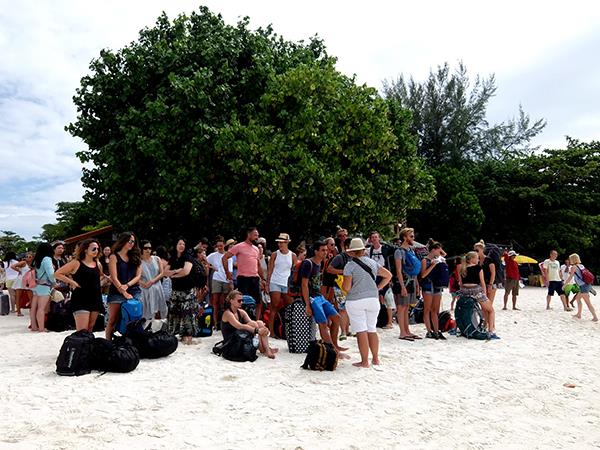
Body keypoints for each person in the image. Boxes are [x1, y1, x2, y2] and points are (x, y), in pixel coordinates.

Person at [342, 238, 392, 368]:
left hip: (356, 299)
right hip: (373, 299)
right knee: (372, 329)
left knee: (361, 331)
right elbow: (388, 275)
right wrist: (378, 287)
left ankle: (364, 361)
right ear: (363, 250)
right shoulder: (372, 263)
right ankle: (375, 358)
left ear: (351, 252)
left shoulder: (350, 266)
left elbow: (346, 287)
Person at [302, 241, 346, 354]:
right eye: (323, 250)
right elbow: (304, 284)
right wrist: (307, 304)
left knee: (336, 317)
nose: (325, 252)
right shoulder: (308, 263)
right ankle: (332, 349)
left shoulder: (321, 263)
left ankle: (334, 344)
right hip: (312, 297)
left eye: (326, 250)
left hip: (319, 296)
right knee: (323, 323)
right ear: (316, 251)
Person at [55, 239, 104, 331]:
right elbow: (58, 273)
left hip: (96, 298)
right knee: (82, 330)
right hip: (81, 298)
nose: (96, 251)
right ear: (85, 249)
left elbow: (100, 276)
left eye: (97, 249)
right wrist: (71, 282)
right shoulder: (76, 262)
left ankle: (88, 345)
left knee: (90, 327)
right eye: (94, 249)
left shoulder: (98, 263)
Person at [222, 227, 267, 320]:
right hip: (243, 278)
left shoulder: (256, 249)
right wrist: (227, 272)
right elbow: (224, 257)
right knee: (242, 301)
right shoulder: (239, 246)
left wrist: (264, 279)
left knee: (259, 302)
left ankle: (256, 322)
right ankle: (242, 321)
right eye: (255, 235)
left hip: (255, 278)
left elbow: (258, 265)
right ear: (249, 234)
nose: (257, 238)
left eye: (257, 236)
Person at [106, 232, 142, 339]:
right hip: (117, 291)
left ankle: (131, 342)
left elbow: (138, 275)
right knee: (113, 319)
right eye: (129, 241)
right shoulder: (114, 256)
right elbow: (114, 277)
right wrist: (123, 291)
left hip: (134, 289)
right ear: (123, 241)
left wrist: (127, 285)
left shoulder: (136, 256)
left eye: (133, 242)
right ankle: (108, 342)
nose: (131, 244)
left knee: (134, 318)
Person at [221, 290, 277, 358]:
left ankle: (266, 350)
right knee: (255, 325)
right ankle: (264, 349)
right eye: (239, 301)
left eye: (242, 300)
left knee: (258, 323)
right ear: (231, 301)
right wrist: (257, 330)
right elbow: (239, 326)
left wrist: (261, 326)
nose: (241, 302)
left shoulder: (241, 312)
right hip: (231, 340)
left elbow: (252, 322)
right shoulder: (228, 314)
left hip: (240, 337)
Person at [166, 238, 199, 344]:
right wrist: (176, 271)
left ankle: (188, 335)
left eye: (183, 244)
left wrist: (173, 276)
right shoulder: (173, 258)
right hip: (176, 290)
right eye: (179, 243)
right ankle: (176, 333)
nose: (181, 246)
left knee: (187, 313)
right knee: (174, 313)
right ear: (175, 245)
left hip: (187, 290)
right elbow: (165, 272)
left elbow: (185, 271)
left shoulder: (188, 257)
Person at [459, 251, 499, 338]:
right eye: (477, 258)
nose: (478, 260)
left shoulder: (462, 268)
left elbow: (461, 284)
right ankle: (491, 331)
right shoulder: (478, 268)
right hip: (476, 291)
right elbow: (482, 283)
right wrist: (484, 293)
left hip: (465, 291)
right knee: (490, 310)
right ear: (472, 259)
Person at [266, 233, 296, 337]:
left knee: (291, 306)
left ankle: (290, 330)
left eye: (282, 242)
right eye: (279, 242)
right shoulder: (275, 254)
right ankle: (272, 332)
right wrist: (267, 284)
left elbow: (294, 272)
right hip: (275, 281)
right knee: (274, 306)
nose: (279, 244)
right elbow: (270, 270)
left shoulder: (293, 255)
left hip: (287, 283)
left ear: (287, 242)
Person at [393, 228, 420, 341]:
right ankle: (402, 332)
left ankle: (407, 330)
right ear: (405, 237)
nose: (413, 238)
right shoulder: (399, 252)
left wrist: (417, 283)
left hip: (411, 281)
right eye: (411, 236)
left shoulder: (411, 251)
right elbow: (398, 270)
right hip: (403, 282)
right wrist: (402, 286)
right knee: (401, 307)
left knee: (407, 306)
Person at [365, 231, 395, 329]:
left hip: (384, 274)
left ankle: (390, 322)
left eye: (375, 237)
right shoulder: (369, 250)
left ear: (379, 238)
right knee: (375, 299)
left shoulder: (385, 248)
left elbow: (394, 249)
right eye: (372, 237)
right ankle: (376, 321)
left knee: (388, 298)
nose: (374, 239)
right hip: (374, 276)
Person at [326, 237, 352, 339]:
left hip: (349, 285)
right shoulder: (340, 257)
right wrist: (343, 271)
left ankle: (347, 330)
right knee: (342, 309)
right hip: (339, 285)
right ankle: (343, 332)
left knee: (348, 308)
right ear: (346, 247)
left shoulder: (353, 257)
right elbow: (329, 269)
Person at [420, 241, 446, 340]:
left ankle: (436, 330)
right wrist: (433, 265)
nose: (441, 253)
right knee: (427, 309)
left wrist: (439, 251)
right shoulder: (425, 260)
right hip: (427, 285)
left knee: (435, 310)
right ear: (433, 250)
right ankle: (429, 331)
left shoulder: (438, 259)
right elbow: (423, 275)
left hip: (436, 286)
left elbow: (444, 254)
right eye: (438, 250)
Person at [207, 236, 234, 328]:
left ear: (224, 245)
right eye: (218, 246)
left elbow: (230, 270)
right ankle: (215, 324)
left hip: (225, 279)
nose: (219, 247)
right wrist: (211, 267)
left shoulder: (228, 256)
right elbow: (204, 260)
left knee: (224, 302)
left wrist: (230, 281)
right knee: (215, 302)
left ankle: (224, 322)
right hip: (216, 279)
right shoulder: (213, 255)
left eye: (221, 245)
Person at [29, 243, 55, 332]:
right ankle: (41, 328)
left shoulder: (37, 259)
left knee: (33, 308)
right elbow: (51, 274)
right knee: (41, 308)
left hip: (37, 286)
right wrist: (54, 283)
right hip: (45, 286)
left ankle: (34, 326)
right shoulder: (47, 259)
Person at [565, 253, 598, 322]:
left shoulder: (573, 267)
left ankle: (595, 317)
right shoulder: (581, 265)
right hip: (586, 285)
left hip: (583, 286)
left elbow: (570, 277)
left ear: (573, 259)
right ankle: (579, 314)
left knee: (588, 302)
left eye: (570, 259)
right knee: (577, 298)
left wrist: (564, 285)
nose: (569, 260)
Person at [139, 240, 167, 320]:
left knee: (159, 311)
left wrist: (152, 281)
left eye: (150, 248)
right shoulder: (138, 262)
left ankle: (158, 330)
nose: (148, 250)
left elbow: (162, 273)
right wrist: (142, 283)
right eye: (145, 248)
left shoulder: (157, 259)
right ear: (141, 249)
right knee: (146, 313)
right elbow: (135, 276)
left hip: (158, 288)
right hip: (145, 289)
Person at [474, 240, 499, 305]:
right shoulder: (476, 261)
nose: (475, 252)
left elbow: (493, 273)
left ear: (482, 250)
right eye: (474, 250)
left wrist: (490, 285)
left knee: (489, 305)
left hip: (490, 284)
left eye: (477, 250)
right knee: (483, 305)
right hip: (481, 284)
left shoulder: (489, 259)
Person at [11, 252, 34, 316]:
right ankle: (19, 312)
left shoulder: (33, 264)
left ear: (33, 257)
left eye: (30, 257)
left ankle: (32, 311)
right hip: (21, 280)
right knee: (18, 296)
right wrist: (19, 271)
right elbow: (12, 266)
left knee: (31, 297)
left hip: (29, 281)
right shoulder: (23, 262)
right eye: (27, 257)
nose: (28, 258)